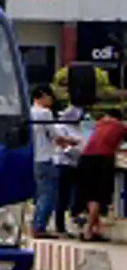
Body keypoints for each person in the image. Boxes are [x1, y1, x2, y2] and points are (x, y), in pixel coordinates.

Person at [30, 86, 78, 238]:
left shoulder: (29, 112)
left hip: (35, 157)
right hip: (46, 157)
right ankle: (40, 227)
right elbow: (55, 135)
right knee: (48, 195)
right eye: (50, 97)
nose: (51, 100)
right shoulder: (44, 113)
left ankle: (35, 225)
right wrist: (71, 141)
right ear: (42, 95)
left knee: (40, 194)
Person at [76, 112, 126, 241]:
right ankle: (88, 229)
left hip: (85, 159)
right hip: (102, 160)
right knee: (98, 196)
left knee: (89, 195)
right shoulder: (120, 126)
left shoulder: (98, 125)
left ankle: (95, 229)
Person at [55, 100, 88, 236]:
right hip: (64, 164)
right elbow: (62, 146)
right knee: (62, 196)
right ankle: (60, 225)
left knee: (75, 195)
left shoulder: (78, 128)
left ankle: (75, 218)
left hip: (76, 164)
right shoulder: (59, 127)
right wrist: (73, 148)